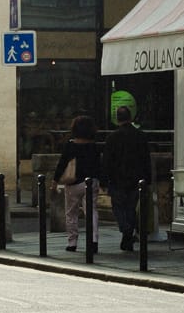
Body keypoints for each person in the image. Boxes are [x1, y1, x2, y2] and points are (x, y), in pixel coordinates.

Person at [102, 105, 151, 252]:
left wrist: (104, 179)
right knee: (130, 207)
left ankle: (126, 229)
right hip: (136, 179)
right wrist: (148, 179)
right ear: (131, 118)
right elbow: (146, 159)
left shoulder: (112, 137)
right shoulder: (140, 136)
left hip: (117, 179)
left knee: (118, 207)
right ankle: (128, 232)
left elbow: (107, 161)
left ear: (117, 119)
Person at [56, 114, 102, 253]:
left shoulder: (70, 145)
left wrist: (55, 180)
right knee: (91, 211)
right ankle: (93, 240)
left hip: (73, 183)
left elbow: (62, 163)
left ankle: (72, 242)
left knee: (71, 213)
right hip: (91, 181)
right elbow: (98, 165)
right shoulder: (93, 146)